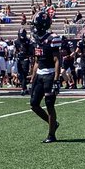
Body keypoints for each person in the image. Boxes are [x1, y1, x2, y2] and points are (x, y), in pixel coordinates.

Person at [28, 10, 59, 143]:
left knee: (49, 104)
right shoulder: (36, 40)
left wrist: (56, 79)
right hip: (40, 74)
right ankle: (53, 123)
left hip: (50, 74)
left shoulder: (52, 38)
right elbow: (36, 61)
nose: (34, 28)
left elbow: (57, 60)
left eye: (35, 25)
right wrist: (32, 78)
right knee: (34, 104)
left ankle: (51, 135)